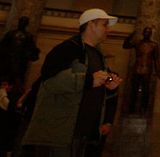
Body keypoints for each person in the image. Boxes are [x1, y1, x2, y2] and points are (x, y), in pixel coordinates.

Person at [22, 8, 122, 156]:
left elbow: (93, 86)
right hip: (59, 132)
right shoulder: (68, 48)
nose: (109, 29)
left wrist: (109, 87)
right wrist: (90, 80)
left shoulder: (99, 55)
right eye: (105, 24)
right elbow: (51, 80)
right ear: (90, 25)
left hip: (82, 133)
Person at [0, 16, 40, 91]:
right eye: (21, 21)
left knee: (17, 77)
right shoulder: (11, 33)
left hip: (19, 60)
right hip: (7, 59)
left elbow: (31, 48)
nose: (22, 24)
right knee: (3, 75)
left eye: (24, 22)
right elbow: (2, 46)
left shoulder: (28, 36)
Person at [122, 26, 160, 115]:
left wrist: (158, 71)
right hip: (137, 68)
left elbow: (156, 59)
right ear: (143, 33)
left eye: (149, 32)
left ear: (150, 34)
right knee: (133, 90)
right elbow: (125, 46)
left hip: (147, 69)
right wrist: (131, 35)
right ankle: (130, 109)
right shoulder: (138, 43)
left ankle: (144, 109)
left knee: (146, 91)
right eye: (146, 32)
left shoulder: (153, 45)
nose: (147, 34)